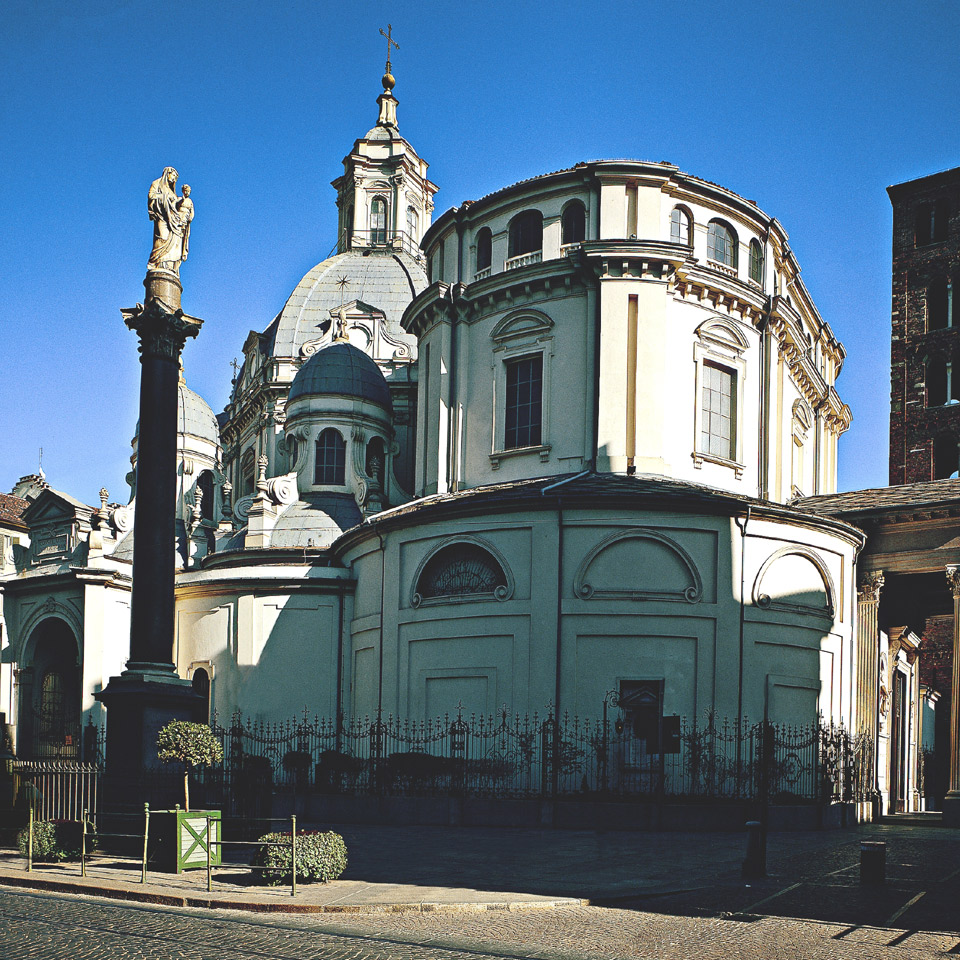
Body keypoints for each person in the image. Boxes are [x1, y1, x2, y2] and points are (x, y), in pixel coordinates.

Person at [147, 167, 186, 273]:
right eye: (173, 176)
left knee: (176, 241)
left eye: (175, 178)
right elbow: (151, 196)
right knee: (162, 238)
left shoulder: (171, 190)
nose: (174, 179)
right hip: (162, 217)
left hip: (173, 220)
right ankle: (156, 262)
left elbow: (174, 203)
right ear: (167, 174)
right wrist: (165, 197)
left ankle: (168, 265)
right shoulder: (157, 183)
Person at [177, 184, 194, 263]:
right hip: (179, 217)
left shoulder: (190, 201)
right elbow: (175, 206)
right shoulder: (179, 198)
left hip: (186, 219)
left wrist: (190, 217)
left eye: (189, 191)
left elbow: (192, 212)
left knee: (184, 235)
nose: (187, 192)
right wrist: (181, 201)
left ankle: (182, 251)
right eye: (186, 191)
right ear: (183, 191)